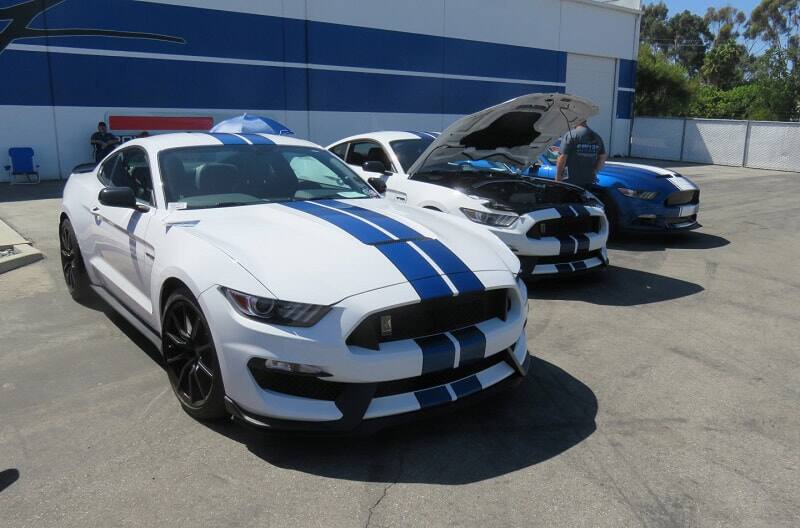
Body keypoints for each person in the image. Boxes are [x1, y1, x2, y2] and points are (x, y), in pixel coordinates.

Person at [555, 120, 607, 189]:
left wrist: (558, 176)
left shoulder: (570, 135)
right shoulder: (597, 137)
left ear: (576, 120)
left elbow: (562, 157)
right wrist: (594, 172)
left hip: (570, 181)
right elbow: (603, 157)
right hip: (589, 180)